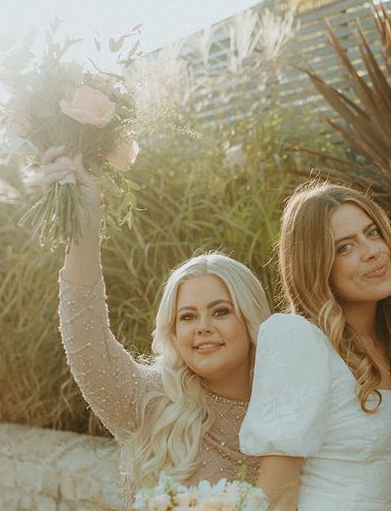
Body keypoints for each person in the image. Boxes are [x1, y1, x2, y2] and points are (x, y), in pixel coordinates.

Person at [45, 148, 271, 502]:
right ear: (173, 331)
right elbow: (84, 335)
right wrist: (85, 227)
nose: (203, 326)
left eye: (221, 311)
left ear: (251, 318)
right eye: (187, 316)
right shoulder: (146, 400)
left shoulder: (287, 405)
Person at [239, 180, 391, 510]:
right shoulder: (299, 340)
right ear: (316, 265)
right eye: (345, 247)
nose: (372, 251)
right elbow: (276, 493)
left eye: (373, 232)